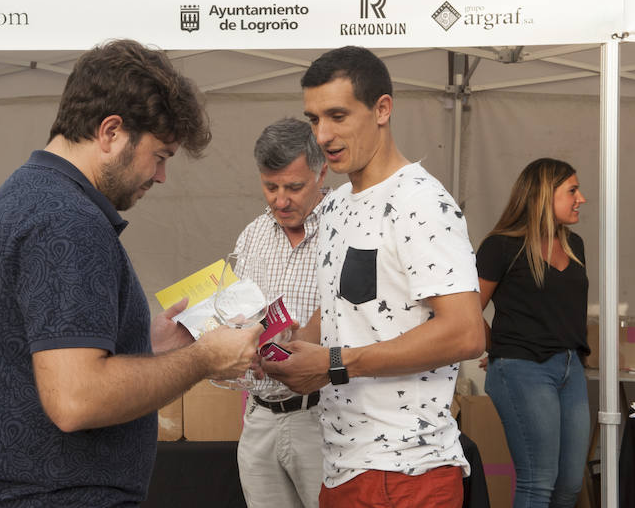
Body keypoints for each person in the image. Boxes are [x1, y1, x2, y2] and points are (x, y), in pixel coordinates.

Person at [0, 39, 261, 507]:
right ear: (110, 132)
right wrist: (203, 360)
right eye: (161, 155)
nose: (162, 176)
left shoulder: (29, 196)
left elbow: (46, 362)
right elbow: (76, 398)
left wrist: (146, 346)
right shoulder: (67, 221)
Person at [263, 46, 485, 508]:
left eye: (338, 116)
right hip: (342, 469)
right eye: (313, 119)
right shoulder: (335, 205)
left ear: (382, 109)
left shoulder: (422, 202)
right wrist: (282, 349)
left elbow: (466, 333)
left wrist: (333, 364)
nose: (322, 135)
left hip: (409, 472)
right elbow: (344, 306)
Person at [476, 158, 590, 508]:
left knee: (570, 484)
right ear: (544, 195)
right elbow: (467, 310)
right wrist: (498, 345)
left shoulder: (575, 245)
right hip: (524, 369)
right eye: (572, 190)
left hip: (571, 369)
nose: (581, 198)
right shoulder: (501, 246)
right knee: (539, 482)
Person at [234, 117, 329, 508]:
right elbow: (238, 313)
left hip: (324, 418)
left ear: (321, 172)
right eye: (270, 187)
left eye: (294, 187)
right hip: (259, 415)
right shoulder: (252, 235)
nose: (280, 200)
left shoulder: (346, 229)